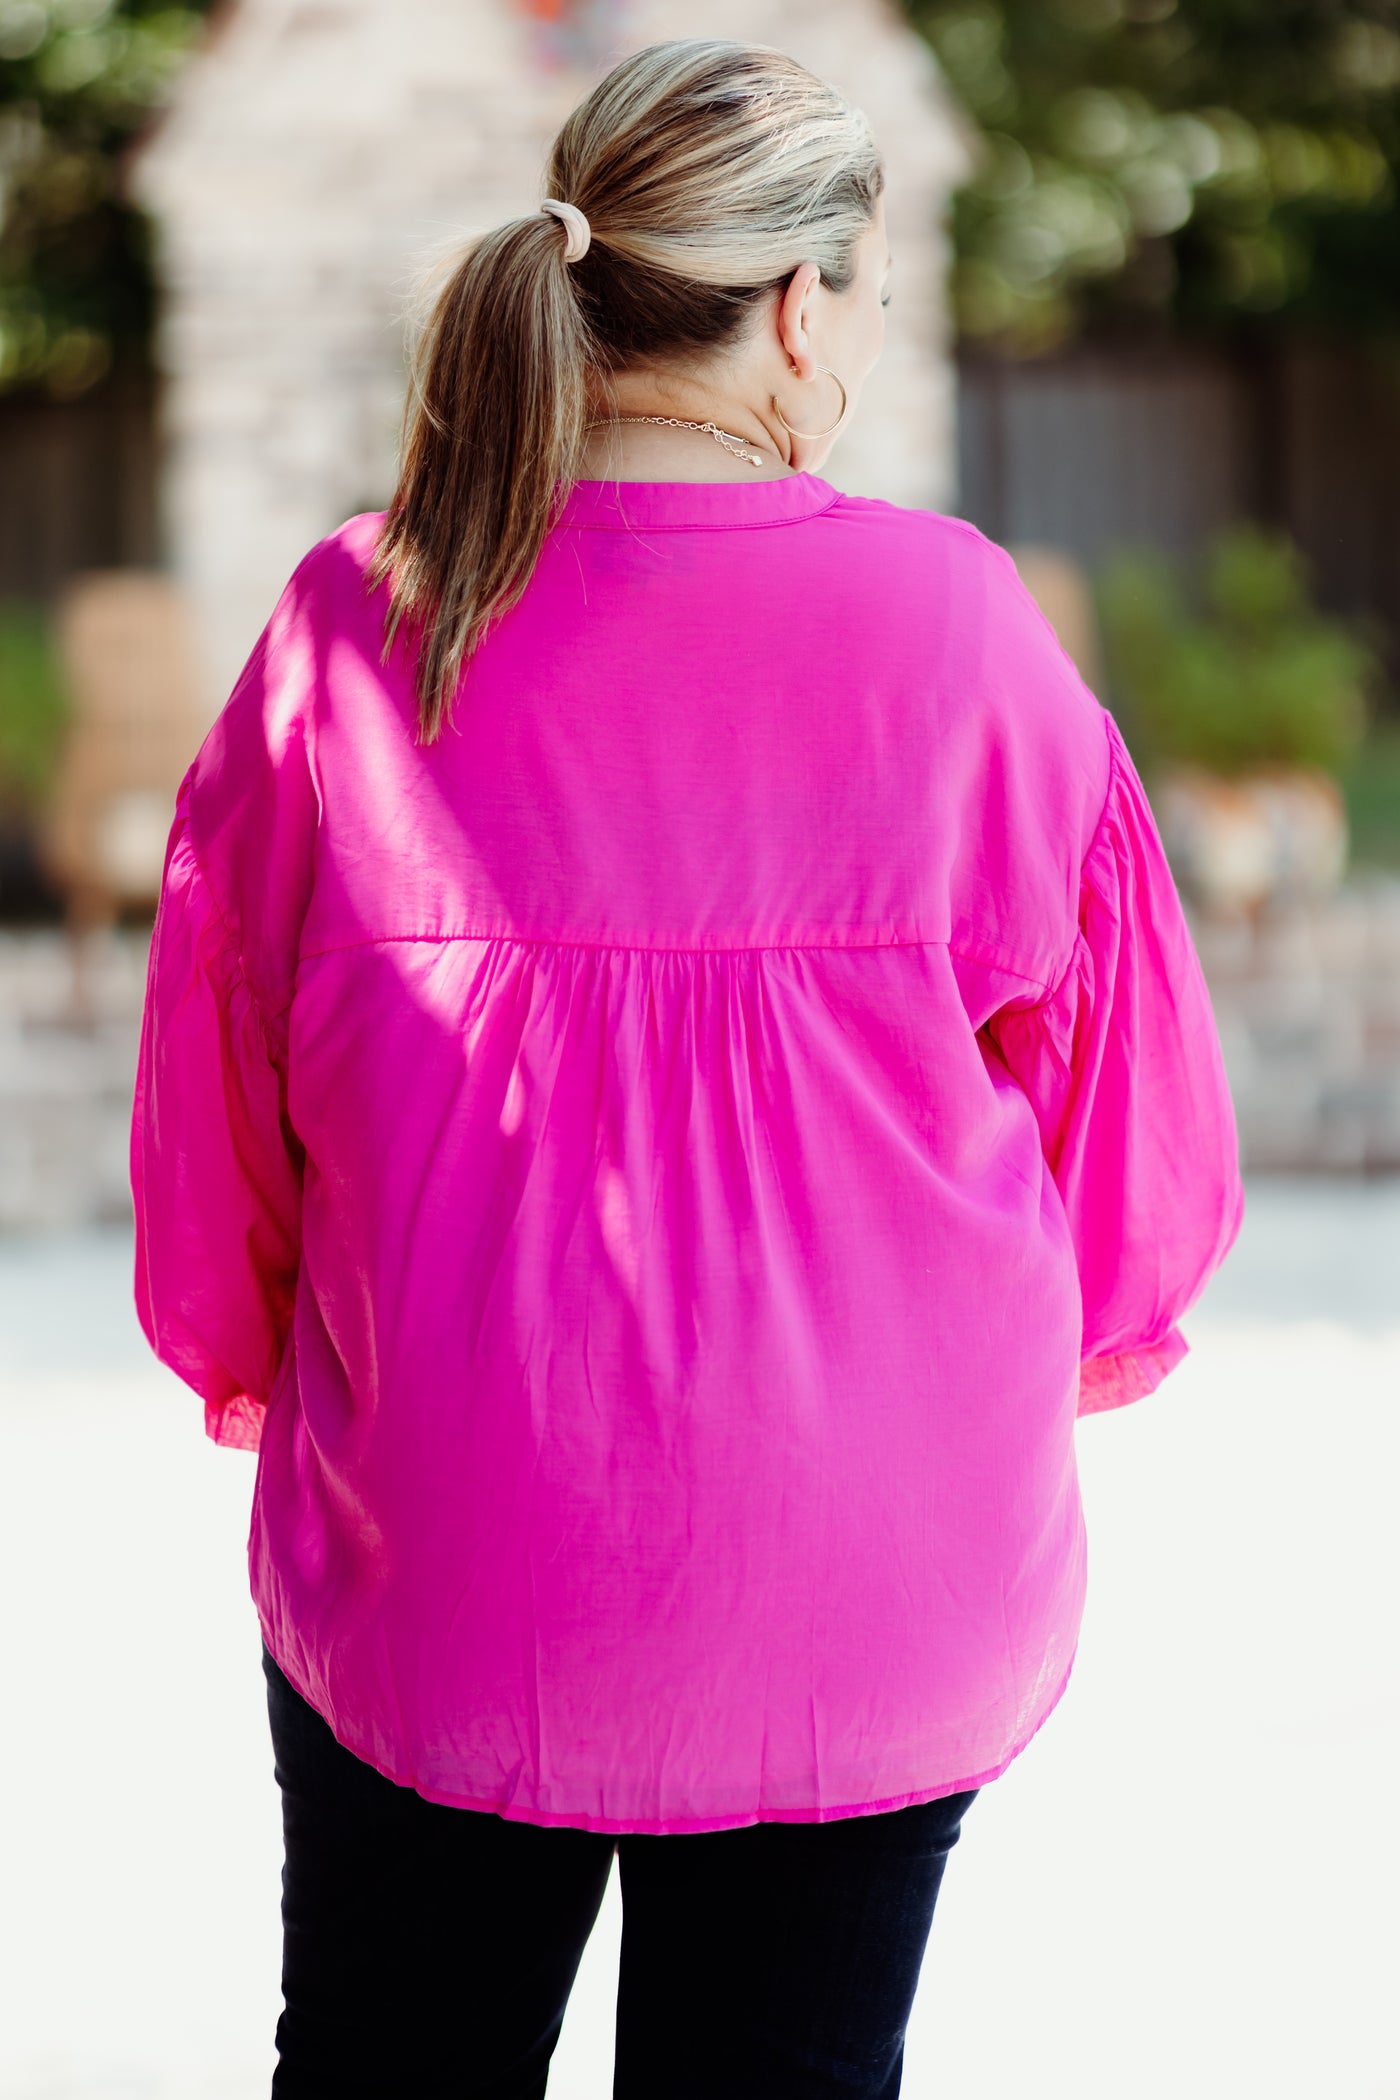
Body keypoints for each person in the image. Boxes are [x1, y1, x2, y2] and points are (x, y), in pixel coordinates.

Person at [129, 35, 1245, 2100]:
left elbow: (216, 1069)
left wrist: (253, 1349)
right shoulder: (963, 629)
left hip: (443, 1556)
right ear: (803, 304)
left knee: (385, 2066)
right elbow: (1125, 1135)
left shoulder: (356, 620)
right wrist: (1087, 1331)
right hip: (868, 1587)